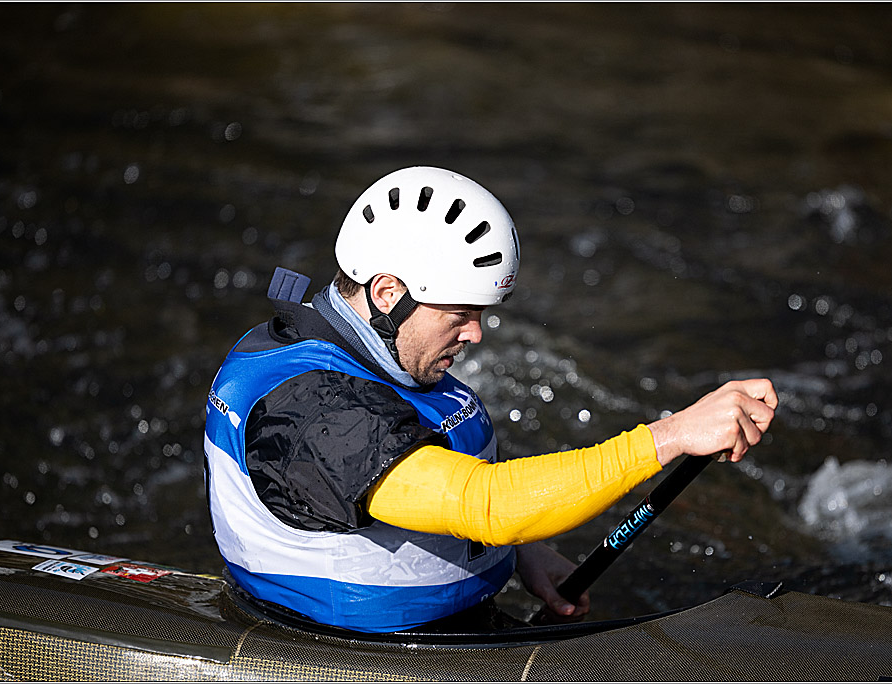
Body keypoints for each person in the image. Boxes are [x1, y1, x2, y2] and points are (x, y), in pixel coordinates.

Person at [203, 166, 777, 634]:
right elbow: (486, 505)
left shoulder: (381, 352)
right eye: (460, 314)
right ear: (387, 293)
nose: (477, 334)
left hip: (438, 633)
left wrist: (523, 555)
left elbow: (459, 505)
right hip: (349, 654)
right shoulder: (313, 415)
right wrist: (672, 435)